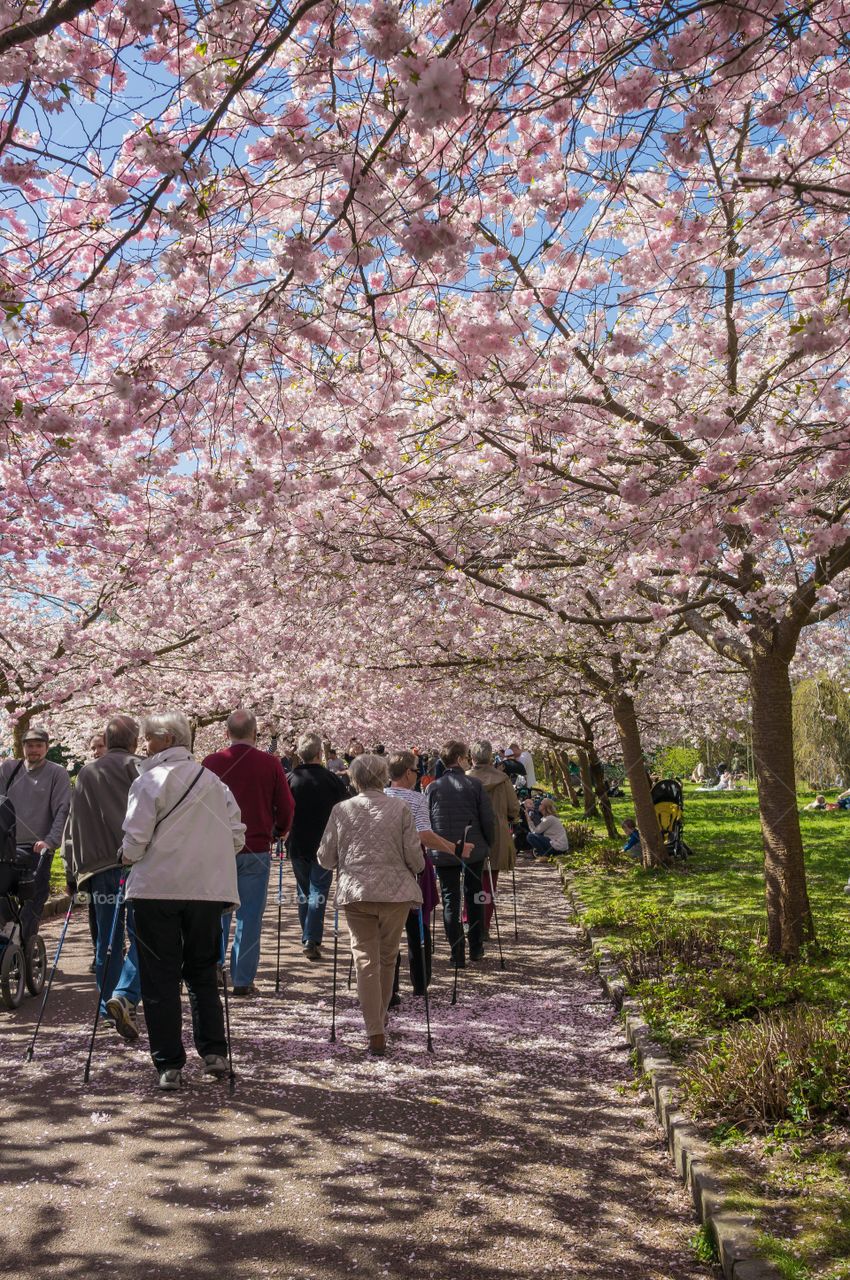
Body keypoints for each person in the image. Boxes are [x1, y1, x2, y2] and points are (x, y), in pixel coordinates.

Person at [122, 711, 245, 1091]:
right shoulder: (215, 783)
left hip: (156, 890)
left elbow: (135, 842)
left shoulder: (149, 781)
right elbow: (237, 836)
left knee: (160, 977)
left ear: (166, 739)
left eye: (149, 738)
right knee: (203, 971)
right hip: (207, 892)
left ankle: (169, 1064)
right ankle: (214, 1051)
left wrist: (125, 855)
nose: (145, 744)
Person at [318, 753, 423, 1056]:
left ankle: (374, 1030)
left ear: (353, 779)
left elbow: (325, 858)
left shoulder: (341, 810)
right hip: (395, 894)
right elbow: (415, 858)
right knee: (387, 958)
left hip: (357, 892)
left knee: (365, 959)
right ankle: (381, 1018)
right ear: (383, 775)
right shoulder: (400, 807)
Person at [203, 710, 295, 996]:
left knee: (217, 913)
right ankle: (242, 979)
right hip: (256, 847)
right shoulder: (269, 763)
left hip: (217, 849)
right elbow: (286, 804)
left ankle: (214, 966)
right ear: (255, 734)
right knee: (250, 916)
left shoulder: (210, 763)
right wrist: (280, 830)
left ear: (226, 733)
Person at [64, 715, 143, 1039]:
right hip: (136, 865)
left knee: (106, 942)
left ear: (107, 742)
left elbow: (75, 823)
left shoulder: (86, 773)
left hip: (98, 869)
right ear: (135, 741)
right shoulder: (140, 768)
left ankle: (107, 1007)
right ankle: (124, 995)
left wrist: (74, 868)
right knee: (144, 937)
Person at [385, 750, 469, 996]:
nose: (418, 774)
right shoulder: (416, 799)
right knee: (416, 924)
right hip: (413, 868)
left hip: (384, 868)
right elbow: (424, 835)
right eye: (416, 770)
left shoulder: (379, 797)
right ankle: (420, 983)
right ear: (408, 773)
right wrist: (455, 848)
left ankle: (390, 988)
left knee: (388, 931)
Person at [426, 740, 496, 966]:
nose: (468, 760)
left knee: (450, 900)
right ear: (459, 759)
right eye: (466, 757)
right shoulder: (474, 785)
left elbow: (426, 821)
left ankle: (457, 953)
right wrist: (489, 843)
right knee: (475, 896)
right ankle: (476, 947)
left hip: (445, 851)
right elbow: (487, 819)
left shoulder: (433, 788)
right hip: (473, 851)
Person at [0, 726, 71, 942]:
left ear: (47, 748)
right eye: (29, 745)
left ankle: (25, 943)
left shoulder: (56, 773)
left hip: (37, 848)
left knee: (33, 897)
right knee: (3, 895)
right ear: (22, 748)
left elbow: (62, 810)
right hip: (6, 846)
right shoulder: (8, 770)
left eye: (39, 745)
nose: (34, 750)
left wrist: (50, 841)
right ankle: (9, 937)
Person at [287, 732, 349, 960]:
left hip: (297, 843)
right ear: (319, 754)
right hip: (325, 843)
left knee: (304, 891)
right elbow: (344, 811)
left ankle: (308, 935)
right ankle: (311, 938)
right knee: (318, 891)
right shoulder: (332, 780)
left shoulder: (290, 778)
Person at [467, 741, 520, 935]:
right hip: (496, 833)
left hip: (470, 834)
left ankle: (468, 920)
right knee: (489, 883)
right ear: (491, 757)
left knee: (470, 880)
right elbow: (514, 808)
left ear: (472, 758)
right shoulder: (503, 779)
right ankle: (484, 924)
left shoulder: (465, 779)